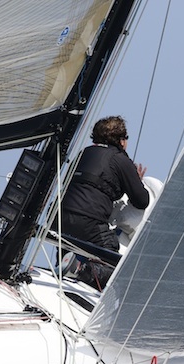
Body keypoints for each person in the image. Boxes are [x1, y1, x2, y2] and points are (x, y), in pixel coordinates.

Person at [59, 116, 149, 290]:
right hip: (89, 221)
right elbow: (141, 201)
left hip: (59, 218)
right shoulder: (120, 159)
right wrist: (136, 180)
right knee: (113, 265)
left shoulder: (84, 152)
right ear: (122, 141)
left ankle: (71, 269)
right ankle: (80, 270)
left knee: (64, 265)